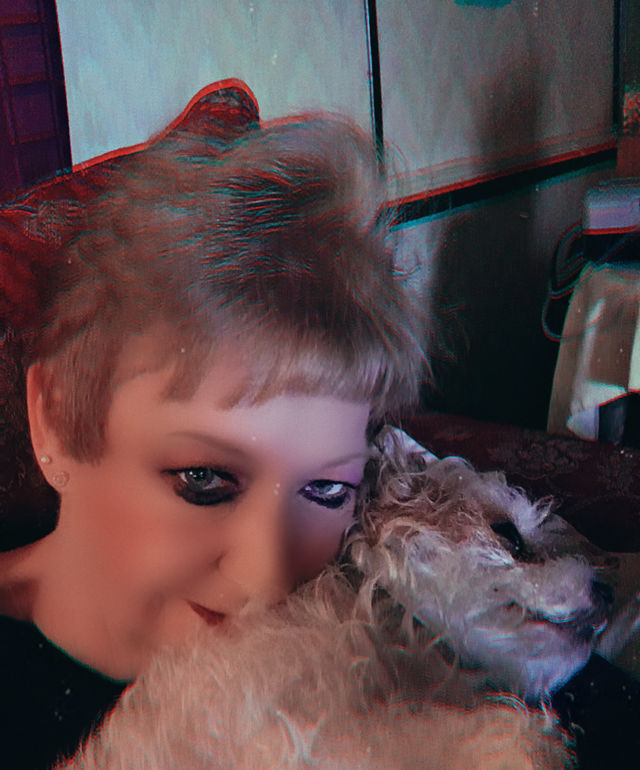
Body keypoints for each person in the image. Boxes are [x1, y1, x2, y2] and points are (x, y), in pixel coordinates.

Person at [0, 91, 425, 768]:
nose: (267, 577)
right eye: (203, 480)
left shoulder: (374, 614)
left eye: (325, 491)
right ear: (52, 416)